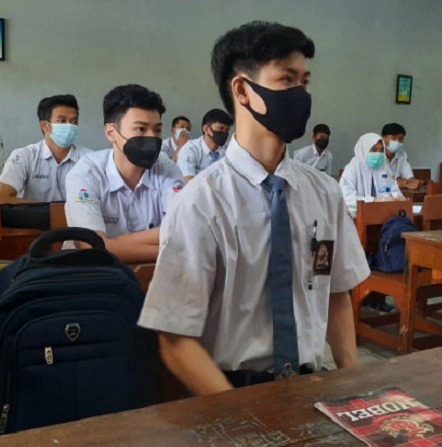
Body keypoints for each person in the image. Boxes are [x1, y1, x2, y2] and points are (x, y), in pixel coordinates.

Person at [138, 21, 368, 395]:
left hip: (311, 385)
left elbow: (336, 293)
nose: (300, 95)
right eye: (286, 80)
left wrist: (352, 384)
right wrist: (242, 412)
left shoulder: (325, 193)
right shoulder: (201, 203)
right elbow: (175, 340)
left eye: (305, 82)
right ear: (243, 90)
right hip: (232, 392)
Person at [64, 84, 183, 264]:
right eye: (141, 129)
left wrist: (110, 243)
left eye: (157, 130)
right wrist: (173, 251)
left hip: (156, 274)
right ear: (111, 133)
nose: (151, 137)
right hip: (94, 274)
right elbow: (91, 247)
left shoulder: (167, 168)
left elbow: (184, 231)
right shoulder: (86, 173)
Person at [0, 94, 90, 203]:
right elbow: (3, 199)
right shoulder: (24, 156)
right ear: (45, 126)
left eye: (74, 122)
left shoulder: (89, 159)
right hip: (35, 214)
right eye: (62, 121)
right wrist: (48, 210)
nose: (70, 126)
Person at [339, 133, 404, 206]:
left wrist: (398, 197)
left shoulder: (384, 167)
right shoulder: (352, 169)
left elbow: (393, 189)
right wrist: (373, 201)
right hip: (358, 212)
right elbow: (347, 199)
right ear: (364, 150)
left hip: (383, 210)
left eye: (381, 150)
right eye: (374, 150)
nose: (378, 154)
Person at [176, 108, 233, 183]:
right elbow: (188, 182)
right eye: (220, 128)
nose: (224, 133)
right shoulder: (190, 149)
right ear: (206, 129)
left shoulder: (229, 151)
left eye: (227, 130)